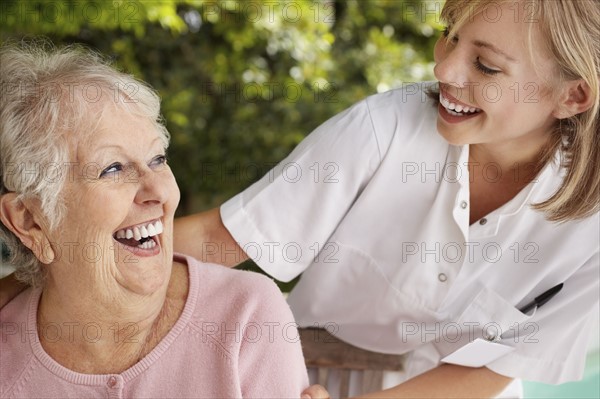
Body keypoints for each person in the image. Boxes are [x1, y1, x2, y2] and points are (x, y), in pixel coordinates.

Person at [1, 0, 599, 397]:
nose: (444, 67)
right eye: (449, 35)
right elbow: (224, 240)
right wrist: (40, 267)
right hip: (301, 375)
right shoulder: (387, 127)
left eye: (486, 66)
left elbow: (493, 367)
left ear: (572, 96)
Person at [0, 42, 308, 397]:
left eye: (158, 159)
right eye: (112, 168)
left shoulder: (245, 315)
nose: (158, 191)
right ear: (30, 221)